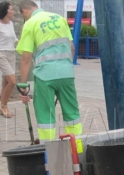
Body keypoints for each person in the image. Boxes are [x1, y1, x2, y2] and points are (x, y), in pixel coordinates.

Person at [16, 0, 82, 143]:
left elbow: (26, 59)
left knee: (46, 115)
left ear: (24, 12)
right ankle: (76, 147)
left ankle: (48, 150)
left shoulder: (30, 23)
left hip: (45, 75)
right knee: (72, 114)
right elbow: (71, 48)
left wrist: (23, 85)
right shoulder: (59, 19)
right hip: (66, 74)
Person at [0, 1, 18, 118]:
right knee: (12, 82)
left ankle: (3, 107)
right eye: (11, 10)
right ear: (5, 12)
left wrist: (23, 46)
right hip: (2, 55)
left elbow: (15, 39)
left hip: (12, 54)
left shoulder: (10, 24)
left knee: (5, 83)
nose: (13, 12)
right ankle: (4, 106)